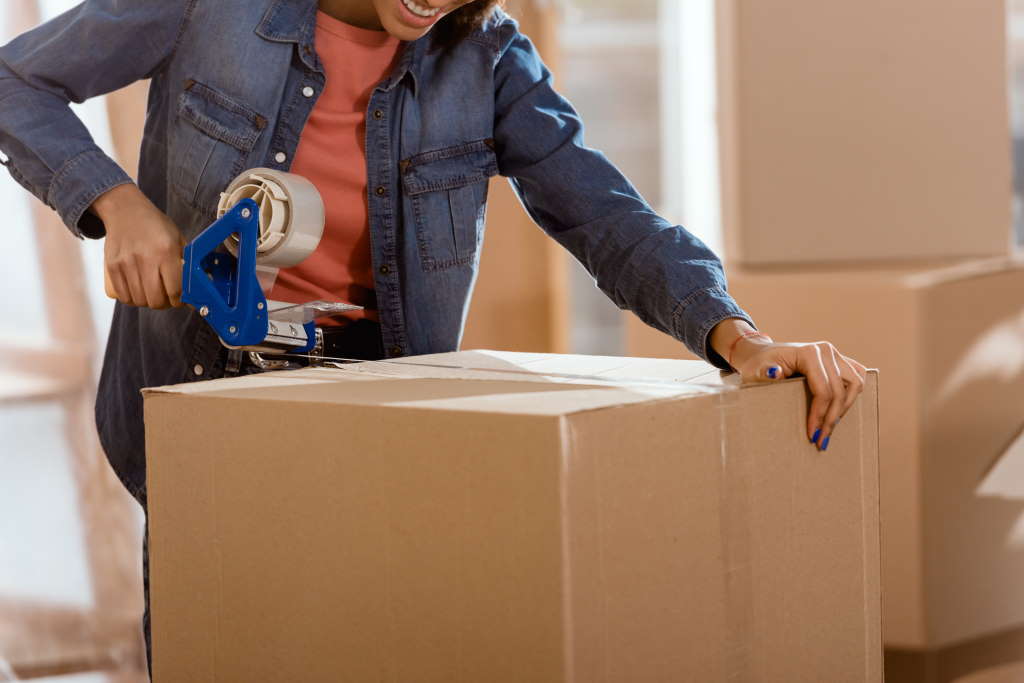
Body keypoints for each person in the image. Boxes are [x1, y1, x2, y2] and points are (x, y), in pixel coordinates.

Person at [0, 0, 868, 674]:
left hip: (381, 425)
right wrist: (117, 206)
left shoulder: (485, 57)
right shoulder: (215, 9)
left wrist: (738, 338)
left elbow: (606, 215)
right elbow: (15, 81)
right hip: (206, 410)